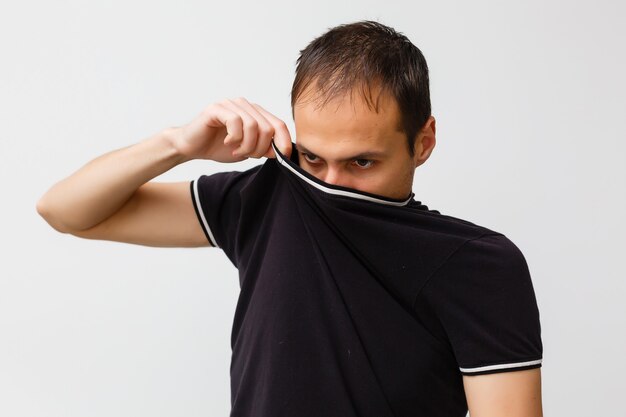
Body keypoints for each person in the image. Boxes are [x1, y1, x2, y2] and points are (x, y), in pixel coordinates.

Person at [37, 20, 543, 417]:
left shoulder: (482, 267)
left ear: (424, 141)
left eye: (362, 162)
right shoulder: (269, 197)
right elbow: (64, 211)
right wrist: (177, 145)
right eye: (313, 158)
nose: (332, 183)